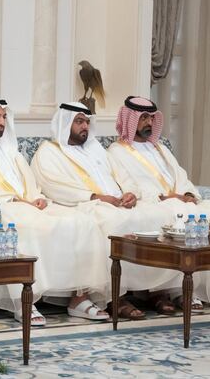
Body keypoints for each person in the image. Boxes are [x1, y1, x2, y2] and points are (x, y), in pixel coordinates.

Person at [0, 97, 110, 325]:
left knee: (83, 222)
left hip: (29, 205)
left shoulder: (11, 150)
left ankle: (79, 298)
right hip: (3, 207)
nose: (1, 123)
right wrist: (17, 200)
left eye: (4, 117)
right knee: (32, 226)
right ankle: (25, 301)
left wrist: (37, 199)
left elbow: (31, 183)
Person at [31, 102, 185, 318]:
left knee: (155, 216)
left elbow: (124, 177)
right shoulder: (48, 152)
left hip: (116, 203)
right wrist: (95, 197)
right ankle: (113, 297)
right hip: (85, 205)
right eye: (79, 121)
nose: (84, 126)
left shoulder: (97, 149)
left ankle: (153, 290)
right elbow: (52, 185)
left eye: (87, 121)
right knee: (114, 224)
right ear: (65, 123)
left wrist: (131, 193)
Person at [107, 96, 210, 309]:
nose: (149, 122)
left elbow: (181, 176)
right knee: (185, 216)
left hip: (178, 201)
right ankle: (184, 290)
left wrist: (187, 193)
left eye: (151, 117)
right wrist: (167, 198)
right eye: (143, 118)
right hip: (153, 203)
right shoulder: (117, 151)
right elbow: (128, 185)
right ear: (130, 119)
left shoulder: (160, 148)